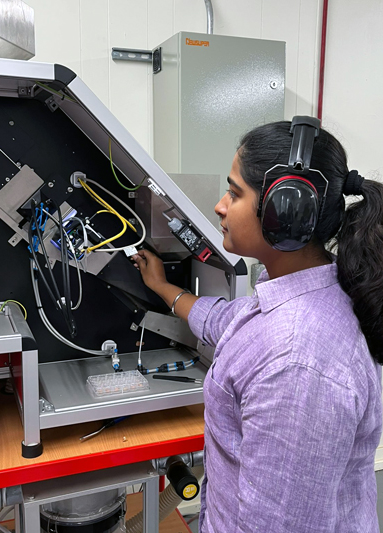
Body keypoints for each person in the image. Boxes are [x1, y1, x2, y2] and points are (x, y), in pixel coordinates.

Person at [132, 119, 383, 532]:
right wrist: (162, 287)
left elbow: (278, 524)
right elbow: (223, 321)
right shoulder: (302, 294)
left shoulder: (296, 364)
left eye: (235, 193)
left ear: (286, 212)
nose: (220, 206)